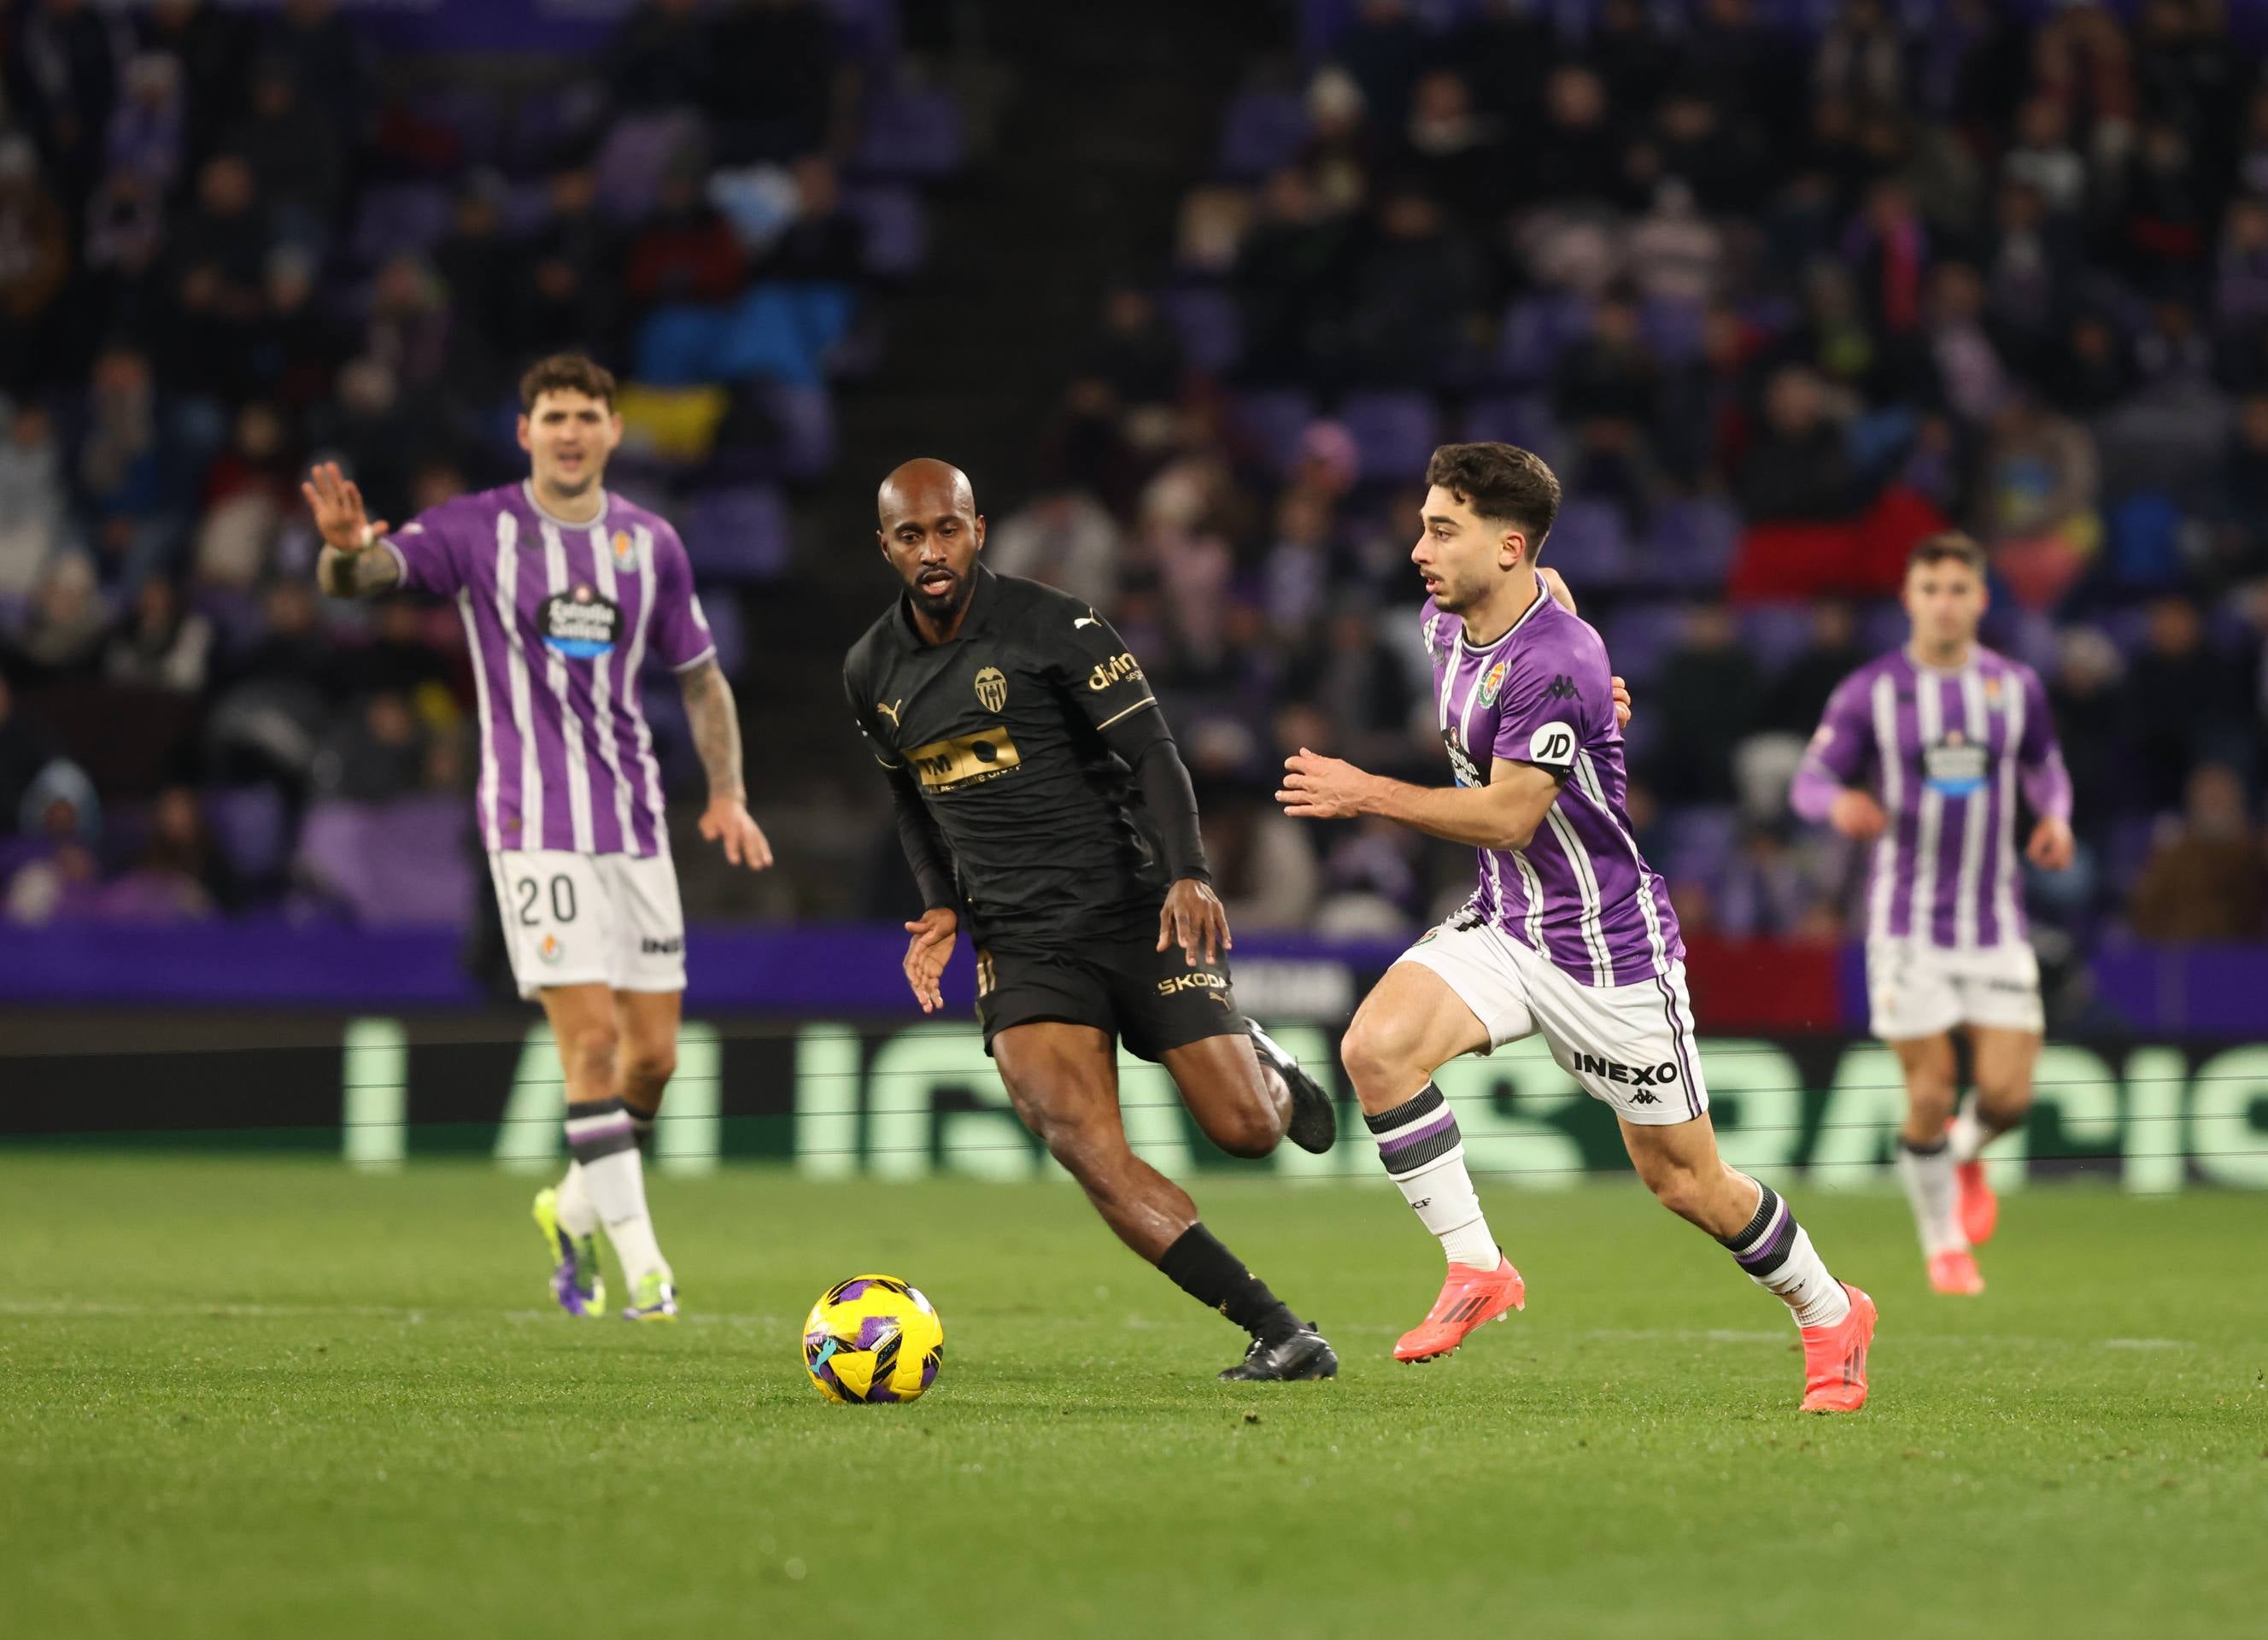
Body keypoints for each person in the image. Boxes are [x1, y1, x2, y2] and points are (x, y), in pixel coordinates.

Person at [1277, 442, 1876, 1414]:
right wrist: (1600, 706)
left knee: (1686, 1182)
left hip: (1608, 954)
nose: (1419, 549)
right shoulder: (1465, 615)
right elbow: (1556, 596)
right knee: (1377, 1049)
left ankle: (1830, 1309)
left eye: (1443, 530)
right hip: (1508, 922)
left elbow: (1513, 815)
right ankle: (1478, 1267)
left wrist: (1364, 791)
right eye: (1424, 525)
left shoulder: (1556, 658)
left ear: (1503, 545)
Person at [841, 458, 1358, 1381]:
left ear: (978, 529)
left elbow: (1155, 753)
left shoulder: (1057, 626)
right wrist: (941, 907)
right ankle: (1280, 1331)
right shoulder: (870, 671)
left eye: (946, 529)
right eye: (910, 536)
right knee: (1084, 1145)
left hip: (1131, 910)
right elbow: (912, 802)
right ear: (884, 545)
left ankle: (1264, 1062)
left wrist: (1190, 873)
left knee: (1244, 1130)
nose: (931, 551)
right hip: (1022, 943)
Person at [301, 352, 773, 1324]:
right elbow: (368, 575)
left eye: (586, 415)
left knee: (655, 1061)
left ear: (611, 431)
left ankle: (570, 1205)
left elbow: (699, 676)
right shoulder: (479, 529)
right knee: (591, 1045)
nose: (568, 431)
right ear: (525, 432)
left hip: (635, 826)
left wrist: (726, 792)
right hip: (532, 829)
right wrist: (346, 551)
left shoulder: (651, 545)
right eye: (551, 415)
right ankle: (645, 1269)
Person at [1790, 531, 2073, 1297]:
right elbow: (1808, 780)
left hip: (1995, 922)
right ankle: (1943, 1244)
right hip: (1905, 924)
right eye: (1930, 590)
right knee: (1929, 1090)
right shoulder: (1871, 691)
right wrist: (1839, 799)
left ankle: (1962, 1153)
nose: (1944, 603)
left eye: (1957, 589)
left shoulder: (2014, 687)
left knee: (2010, 1097)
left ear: (1980, 599)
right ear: (1908, 599)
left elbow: (2046, 766)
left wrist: (2055, 817)